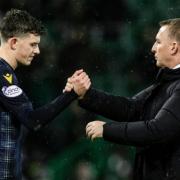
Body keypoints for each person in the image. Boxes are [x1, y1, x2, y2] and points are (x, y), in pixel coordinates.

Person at [65, 18, 180, 180]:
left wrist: (107, 129)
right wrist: (86, 95)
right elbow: (131, 108)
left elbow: (158, 130)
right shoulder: (167, 81)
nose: (153, 48)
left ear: (173, 47)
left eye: (158, 42)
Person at [0, 9, 90, 180]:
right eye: (33, 44)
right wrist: (71, 95)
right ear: (13, 43)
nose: (38, 51)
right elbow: (33, 120)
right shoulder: (2, 76)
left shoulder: (8, 74)